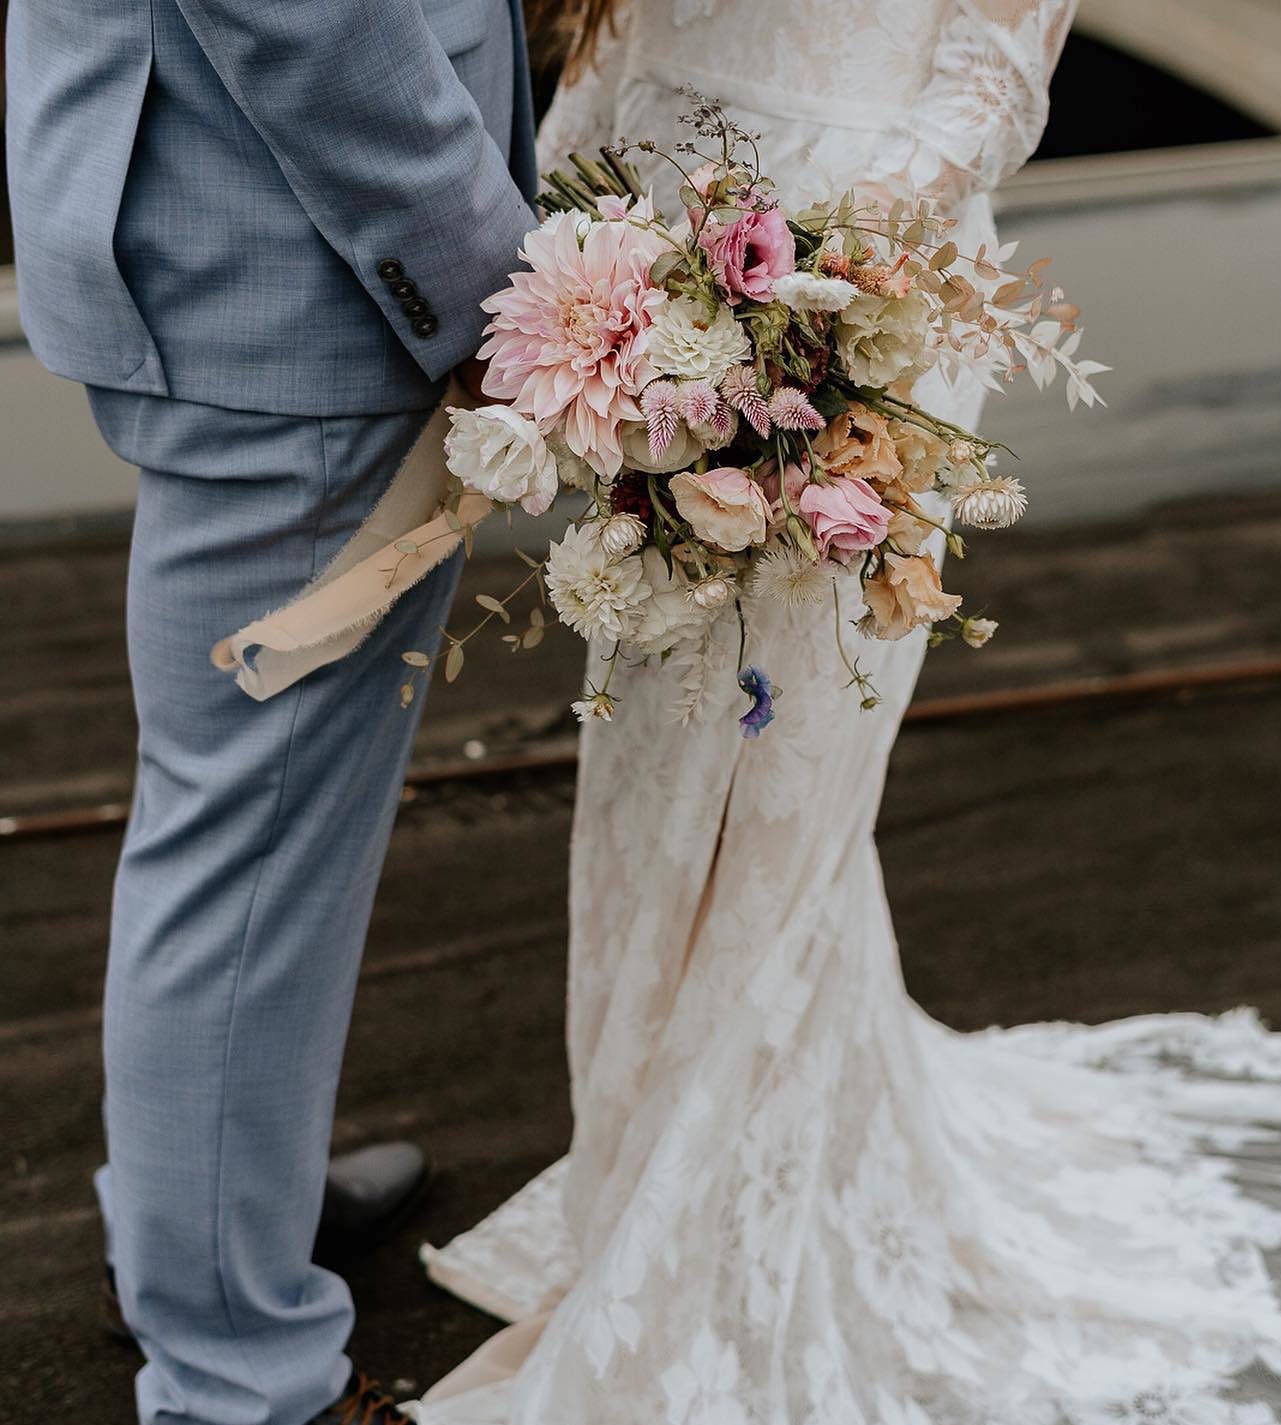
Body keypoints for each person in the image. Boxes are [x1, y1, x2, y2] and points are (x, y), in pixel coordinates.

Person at [414, 3, 1281, 1422]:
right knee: (650, 753)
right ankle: (648, 1169)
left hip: (846, 291)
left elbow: (1000, 53)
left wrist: (821, 272)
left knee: (785, 777)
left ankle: (704, 1232)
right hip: (638, 252)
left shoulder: (841, 273)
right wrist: (561, 225)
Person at [4, 0, 538, 1420]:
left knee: (260, 813)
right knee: (250, 838)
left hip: (241, 218)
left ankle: (208, 1219)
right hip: (296, 257)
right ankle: (238, 1368)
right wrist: (488, 280)